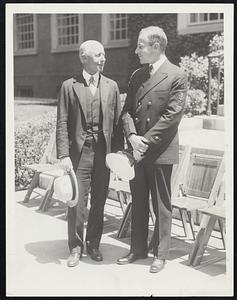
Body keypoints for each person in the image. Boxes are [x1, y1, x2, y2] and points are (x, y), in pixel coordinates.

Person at [117, 26, 188, 273]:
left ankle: (161, 253)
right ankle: (137, 249)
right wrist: (132, 136)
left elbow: (171, 117)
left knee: (161, 204)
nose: (137, 51)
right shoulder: (137, 75)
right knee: (137, 201)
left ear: (156, 46)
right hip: (137, 150)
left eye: (141, 45)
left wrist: (143, 140)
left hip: (158, 150)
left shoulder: (176, 75)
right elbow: (126, 110)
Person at [56, 40, 123, 267]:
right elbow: (62, 123)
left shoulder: (111, 86)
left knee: (99, 201)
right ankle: (76, 247)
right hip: (79, 153)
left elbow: (117, 123)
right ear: (84, 58)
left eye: (104, 54)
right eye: (98, 55)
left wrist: (118, 155)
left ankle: (93, 244)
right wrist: (64, 155)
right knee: (77, 202)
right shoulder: (69, 86)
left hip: (103, 153)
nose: (103, 58)